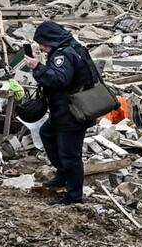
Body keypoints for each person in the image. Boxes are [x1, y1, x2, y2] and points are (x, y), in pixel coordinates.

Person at [24, 21, 95, 205]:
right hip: (64, 110)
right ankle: (62, 174)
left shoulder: (63, 55)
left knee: (71, 156)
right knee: (46, 133)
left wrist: (37, 67)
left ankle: (73, 196)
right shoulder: (70, 47)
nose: (40, 47)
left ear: (51, 39)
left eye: (42, 42)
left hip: (71, 112)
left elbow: (59, 80)